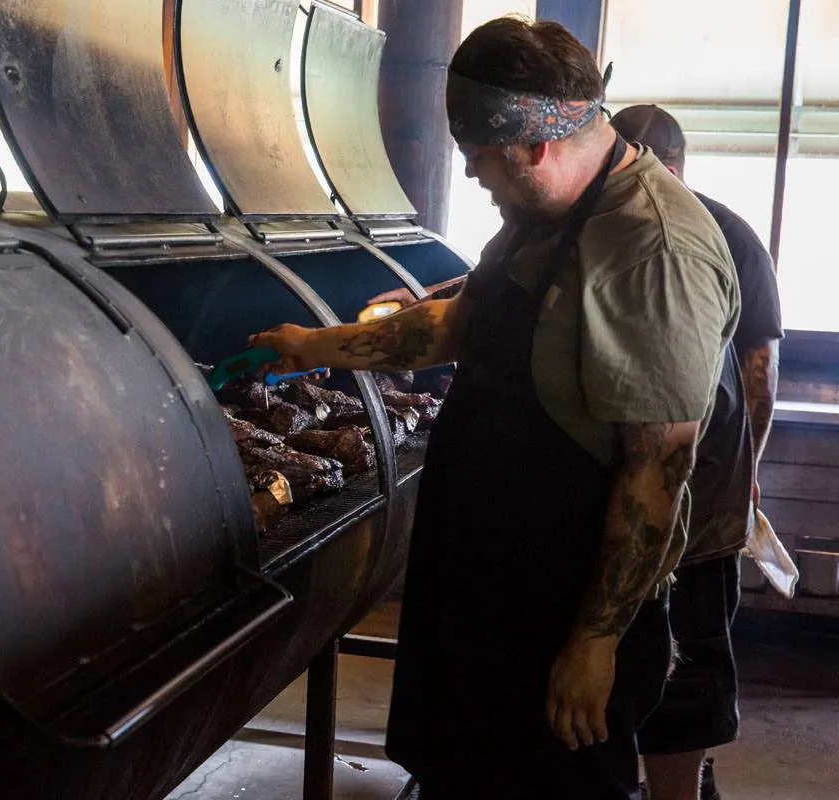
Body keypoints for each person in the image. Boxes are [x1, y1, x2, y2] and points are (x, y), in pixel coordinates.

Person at [251, 17, 740, 799]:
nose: (473, 173)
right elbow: (456, 323)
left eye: (480, 157)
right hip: (487, 581)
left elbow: (656, 475)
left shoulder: (653, 252)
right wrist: (317, 346)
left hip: (562, 605)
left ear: (536, 145)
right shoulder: (541, 215)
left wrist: (593, 644)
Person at [610, 104, 784, 800]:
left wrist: (747, 472)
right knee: (668, 654)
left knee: (684, 655)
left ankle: (678, 784)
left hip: (698, 490)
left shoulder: (724, 234)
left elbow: (758, 371)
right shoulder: (716, 230)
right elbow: (759, 371)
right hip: (676, 484)